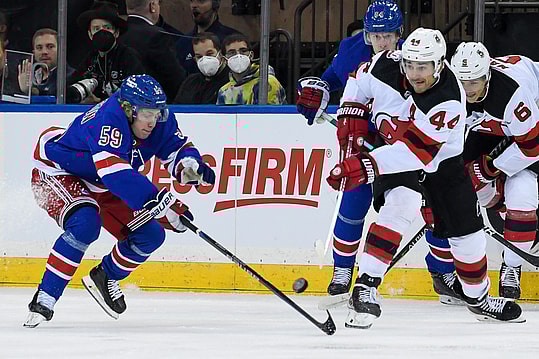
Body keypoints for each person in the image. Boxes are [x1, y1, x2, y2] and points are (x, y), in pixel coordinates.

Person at [327, 27, 524, 328]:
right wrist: (350, 112)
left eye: (424, 67)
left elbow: (416, 153)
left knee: (468, 237)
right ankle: (365, 289)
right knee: (401, 204)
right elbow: (358, 80)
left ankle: (479, 299)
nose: (416, 74)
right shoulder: (384, 65)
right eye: (411, 65)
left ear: (440, 64)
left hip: (440, 163)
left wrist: (364, 165)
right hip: (395, 156)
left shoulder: (448, 99)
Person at [23, 74, 216, 328]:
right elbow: (116, 176)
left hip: (100, 178)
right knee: (85, 223)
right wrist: (162, 204)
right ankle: (45, 297)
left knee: (151, 235)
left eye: (156, 113)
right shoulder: (108, 119)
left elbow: (175, 148)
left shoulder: (159, 118)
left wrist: (188, 164)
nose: (152, 121)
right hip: (58, 169)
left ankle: (105, 276)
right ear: (128, 109)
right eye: (146, 114)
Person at [296, 0, 406, 302]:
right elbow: (331, 79)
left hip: (403, 144)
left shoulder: (416, 57)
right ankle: (343, 270)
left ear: (400, 33)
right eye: (375, 36)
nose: (381, 43)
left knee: (424, 206)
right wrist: (317, 91)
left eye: (388, 36)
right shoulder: (351, 50)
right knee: (353, 203)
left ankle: (443, 273)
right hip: (361, 138)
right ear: (367, 34)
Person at [450, 42, 539, 299]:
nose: (467, 91)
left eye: (474, 83)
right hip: (492, 127)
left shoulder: (510, 93)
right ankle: (501, 207)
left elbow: (532, 147)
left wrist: (489, 168)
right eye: (462, 82)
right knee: (464, 188)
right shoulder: (449, 89)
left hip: (530, 126)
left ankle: (511, 266)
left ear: (487, 76)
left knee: (521, 192)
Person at [69, 1, 145, 104]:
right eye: (96, 29)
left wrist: (100, 101)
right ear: (90, 34)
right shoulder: (91, 58)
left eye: (107, 28)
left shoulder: (128, 56)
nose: (102, 32)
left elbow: (139, 94)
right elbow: (70, 87)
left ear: (116, 32)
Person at [120, 0, 186, 100]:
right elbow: (175, 77)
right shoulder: (157, 35)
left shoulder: (118, 33)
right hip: (150, 104)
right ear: (152, 6)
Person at [217, 33, 286, 105]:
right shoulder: (223, 91)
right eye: (232, 52)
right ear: (224, 59)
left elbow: (266, 114)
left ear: (251, 55)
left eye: (243, 51)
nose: (238, 55)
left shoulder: (265, 83)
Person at [176, 0, 242, 74]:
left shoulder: (232, 39)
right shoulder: (183, 42)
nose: (194, 5)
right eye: (191, 1)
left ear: (214, 5)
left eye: (201, 1)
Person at [174, 32, 229, 104]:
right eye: (199, 57)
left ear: (221, 54)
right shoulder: (190, 82)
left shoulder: (231, 81)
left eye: (209, 54)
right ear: (195, 59)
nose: (205, 59)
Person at [18, 28, 75, 96]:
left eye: (50, 47)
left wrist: (32, 91)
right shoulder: (27, 77)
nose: (44, 52)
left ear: (61, 50)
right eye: (39, 48)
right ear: (34, 53)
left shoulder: (72, 77)